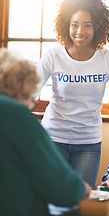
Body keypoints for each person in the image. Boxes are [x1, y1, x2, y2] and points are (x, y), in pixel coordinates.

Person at [38, 0, 109, 186]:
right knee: (52, 199)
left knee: (83, 201)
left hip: (88, 143)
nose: (80, 31)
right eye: (74, 24)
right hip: (53, 137)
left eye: (87, 24)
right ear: (66, 24)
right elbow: (28, 94)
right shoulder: (52, 56)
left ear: (98, 26)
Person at [0, 48, 91, 216]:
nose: (31, 104)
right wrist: (80, 188)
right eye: (31, 98)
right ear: (20, 87)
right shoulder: (16, 114)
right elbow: (60, 188)